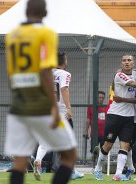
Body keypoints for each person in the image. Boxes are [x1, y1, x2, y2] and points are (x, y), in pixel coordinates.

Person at [4, 1, 77, 184]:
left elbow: (13, 73)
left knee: (20, 161)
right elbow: (46, 72)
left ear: (26, 10)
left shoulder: (12, 36)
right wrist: (53, 107)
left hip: (18, 104)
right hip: (41, 104)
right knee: (69, 155)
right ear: (45, 11)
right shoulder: (46, 34)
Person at [93, 55, 136, 181]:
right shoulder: (120, 75)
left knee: (125, 146)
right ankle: (97, 168)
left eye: (129, 60)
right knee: (108, 145)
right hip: (115, 115)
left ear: (133, 63)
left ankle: (119, 173)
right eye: (124, 60)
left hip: (129, 117)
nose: (127, 62)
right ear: (121, 63)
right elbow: (134, 84)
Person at [34, 52, 84, 180]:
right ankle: (70, 171)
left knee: (44, 141)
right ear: (64, 62)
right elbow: (64, 89)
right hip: (61, 112)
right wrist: (68, 108)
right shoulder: (65, 74)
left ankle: (38, 161)